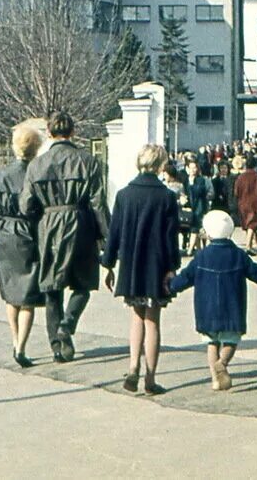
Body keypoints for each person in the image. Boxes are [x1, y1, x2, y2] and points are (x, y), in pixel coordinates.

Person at [19, 112, 110, 363]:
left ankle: (58, 346)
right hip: (81, 224)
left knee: (52, 288)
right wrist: (107, 237)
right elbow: (98, 203)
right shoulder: (88, 161)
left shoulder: (36, 164)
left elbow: (26, 205)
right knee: (83, 284)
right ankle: (67, 324)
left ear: (49, 133)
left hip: (48, 227)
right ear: (73, 131)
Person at [168, 210, 257, 391]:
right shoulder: (238, 255)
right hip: (232, 308)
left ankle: (215, 380)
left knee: (211, 342)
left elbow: (186, 277)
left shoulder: (201, 256)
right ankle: (223, 363)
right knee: (231, 340)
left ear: (207, 232)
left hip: (206, 309)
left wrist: (170, 285)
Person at [100, 144, 181, 395]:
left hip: (132, 265)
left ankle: (133, 367)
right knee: (153, 321)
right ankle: (150, 377)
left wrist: (108, 264)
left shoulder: (124, 195)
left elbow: (114, 233)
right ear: (160, 165)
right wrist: (173, 267)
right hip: (156, 265)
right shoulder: (167, 197)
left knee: (136, 317)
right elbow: (171, 238)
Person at [0, 122, 46, 368]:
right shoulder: (38, 175)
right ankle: (21, 347)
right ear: (36, 148)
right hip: (31, 233)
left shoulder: (0, 176)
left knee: (11, 294)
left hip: (5, 234)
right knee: (28, 295)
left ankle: (14, 339)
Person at [233, 156, 257, 254]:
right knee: (252, 224)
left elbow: (236, 192)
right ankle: (248, 245)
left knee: (249, 224)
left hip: (242, 203)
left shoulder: (240, 177)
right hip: (254, 202)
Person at [184, 160, 211, 255]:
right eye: (190, 168)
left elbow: (200, 191)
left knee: (195, 228)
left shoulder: (201, 180)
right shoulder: (184, 180)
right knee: (194, 229)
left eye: (194, 168)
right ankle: (198, 249)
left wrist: (192, 184)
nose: (193, 170)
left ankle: (190, 250)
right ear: (186, 169)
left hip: (199, 207)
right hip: (187, 207)